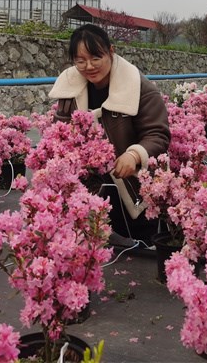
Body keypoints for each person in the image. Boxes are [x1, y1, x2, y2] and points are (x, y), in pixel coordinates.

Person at [49, 23, 170, 248]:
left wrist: (134, 155)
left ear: (110, 51)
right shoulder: (69, 90)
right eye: (80, 60)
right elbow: (60, 134)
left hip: (132, 183)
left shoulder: (140, 88)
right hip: (89, 184)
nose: (89, 66)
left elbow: (157, 134)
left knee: (139, 248)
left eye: (96, 57)